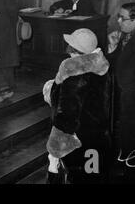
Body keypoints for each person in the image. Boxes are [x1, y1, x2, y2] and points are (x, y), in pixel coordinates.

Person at [43, 28, 111, 184]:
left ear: (76, 51)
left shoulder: (73, 74)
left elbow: (66, 114)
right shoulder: (102, 66)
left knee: (76, 177)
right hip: (99, 135)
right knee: (93, 174)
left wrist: (56, 146)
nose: (68, 52)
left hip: (77, 139)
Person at [106, 2, 135, 182]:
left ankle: (134, 164)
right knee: (127, 131)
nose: (119, 21)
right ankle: (127, 159)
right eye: (119, 16)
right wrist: (113, 47)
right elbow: (119, 65)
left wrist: (123, 94)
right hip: (129, 94)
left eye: (122, 18)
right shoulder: (129, 34)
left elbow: (132, 73)